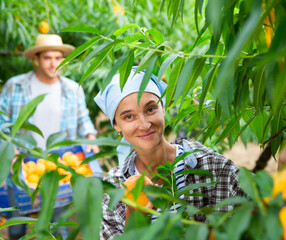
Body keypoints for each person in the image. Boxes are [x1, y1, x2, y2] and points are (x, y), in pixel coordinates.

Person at [94, 68, 247, 239]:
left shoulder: (211, 167)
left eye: (150, 109)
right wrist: (135, 215)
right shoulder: (113, 187)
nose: (144, 125)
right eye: (129, 117)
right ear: (116, 125)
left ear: (163, 107)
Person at [0, 34, 99, 239]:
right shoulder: (15, 86)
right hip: (23, 163)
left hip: (60, 163)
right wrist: (9, 149)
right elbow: (2, 121)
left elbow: (83, 120)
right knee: (17, 223)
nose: (53, 63)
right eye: (47, 58)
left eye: (58, 57)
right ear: (36, 59)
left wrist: (90, 136)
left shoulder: (73, 89)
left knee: (58, 224)